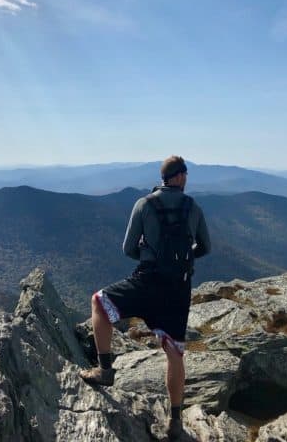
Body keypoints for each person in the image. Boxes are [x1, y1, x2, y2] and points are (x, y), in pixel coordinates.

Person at [79, 155, 211, 440]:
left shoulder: (144, 204)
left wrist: (151, 255)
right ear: (177, 177)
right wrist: (183, 258)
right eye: (185, 174)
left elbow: (128, 248)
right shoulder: (193, 206)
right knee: (175, 354)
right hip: (178, 288)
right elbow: (205, 246)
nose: (187, 178)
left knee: (99, 302)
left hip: (147, 281)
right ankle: (175, 422)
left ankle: (105, 370)